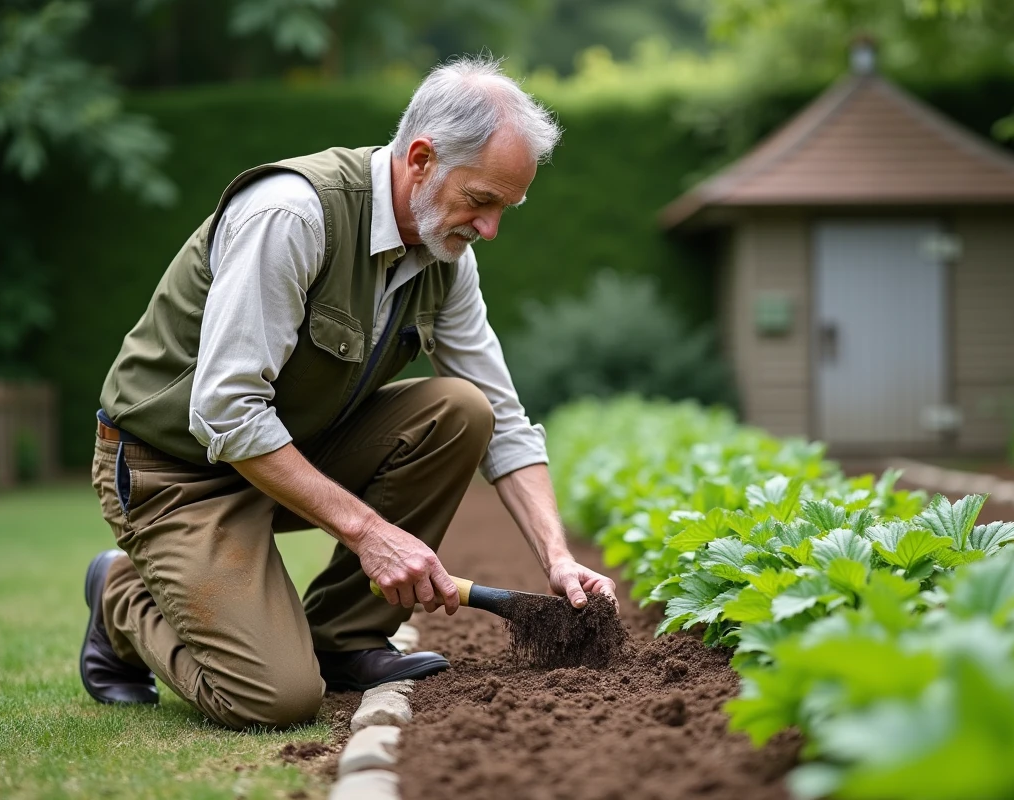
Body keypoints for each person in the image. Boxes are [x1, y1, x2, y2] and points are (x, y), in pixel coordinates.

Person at [79, 54, 617, 731]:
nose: (490, 228)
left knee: (461, 411)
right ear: (421, 158)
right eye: (481, 201)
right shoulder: (291, 216)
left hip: (285, 454)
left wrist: (557, 557)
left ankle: (344, 637)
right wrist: (370, 533)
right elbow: (225, 412)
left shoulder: (445, 260)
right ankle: (121, 597)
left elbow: (504, 420)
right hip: (177, 472)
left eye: (505, 208)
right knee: (273, 699)